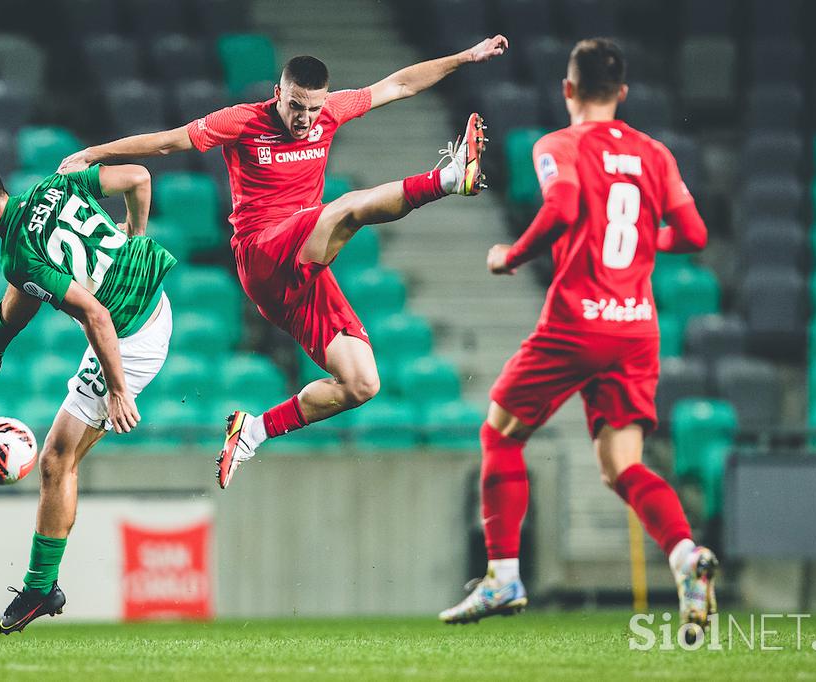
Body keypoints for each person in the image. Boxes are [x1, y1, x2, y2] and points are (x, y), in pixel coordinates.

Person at [57, 37, 508, 489]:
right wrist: (93, 154)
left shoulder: (330, 112)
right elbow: (166, 144)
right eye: (295, 106)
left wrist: (467, 57)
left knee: (361, 383)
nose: (304, 118)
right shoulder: (243, 120)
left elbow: (400, 85)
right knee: (344, 209)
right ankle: (449, 177)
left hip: (304, 268)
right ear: (278, 93)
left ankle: (251, 433)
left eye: (313, 109)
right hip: (262, 253)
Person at [438, 39, 717, 633]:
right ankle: (686, 556)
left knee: (500, 434)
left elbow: (563, 208)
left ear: (567, 90)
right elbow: (693, 233)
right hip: (636, 328)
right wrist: (649, 243)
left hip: (576, 321)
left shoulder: (557, 145)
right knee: (623, 466)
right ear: (621, 93)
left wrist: (511, 257)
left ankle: (503, 576)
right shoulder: (655, 153)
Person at [0, 156, 176, 633]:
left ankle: (41, 587)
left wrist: (120, 391)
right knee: (26, 278)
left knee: (56, 460)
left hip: (129, 337)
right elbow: (139, 178)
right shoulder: (54, 186)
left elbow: (95, 316)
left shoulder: (19, 256)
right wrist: (136, 236)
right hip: (150, 301)